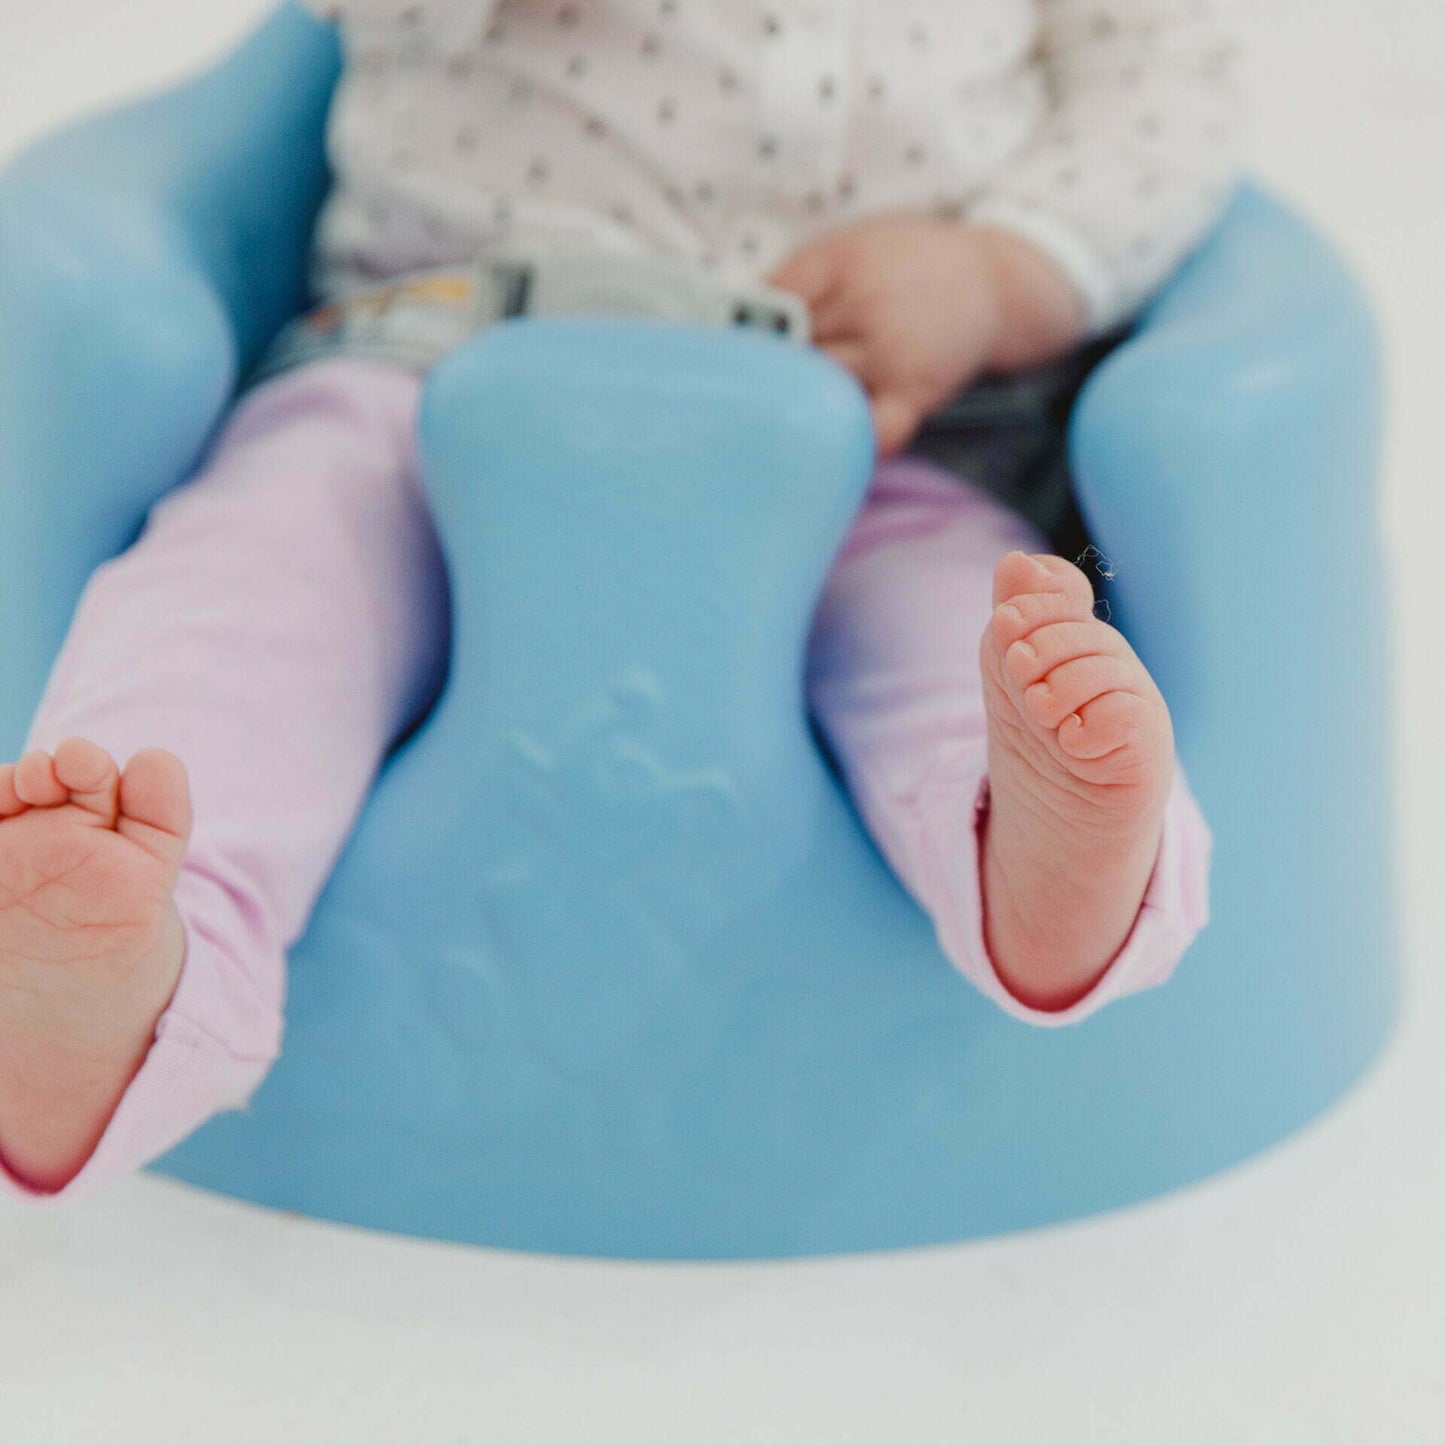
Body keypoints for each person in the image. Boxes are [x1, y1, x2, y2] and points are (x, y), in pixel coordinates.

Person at [0, 0, 1238, 1196]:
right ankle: (118, 962)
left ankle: (1034, 848)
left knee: (973, 639)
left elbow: (1167, 89)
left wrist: (1000, 272)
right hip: (427, 361)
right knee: (252, 599)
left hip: (886, 424)